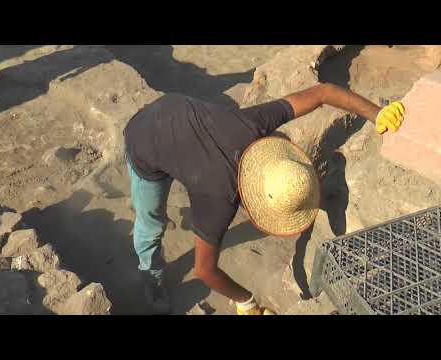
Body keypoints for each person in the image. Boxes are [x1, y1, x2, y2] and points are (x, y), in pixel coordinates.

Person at [123, 83, 405, 315]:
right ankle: (151, 274)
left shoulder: (252, 123)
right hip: (144, 142)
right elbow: (205, 271)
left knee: (186, 179)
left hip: (175, 105)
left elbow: (322, 93)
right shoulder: (218, 200)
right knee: (151, 223)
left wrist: (378, 114)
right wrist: (246, 302)